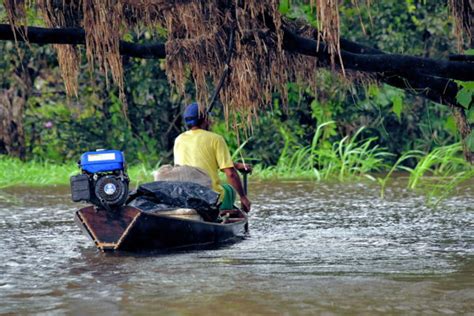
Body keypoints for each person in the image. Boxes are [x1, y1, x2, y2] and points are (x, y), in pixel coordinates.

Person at [173, 102, 251, 212]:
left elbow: (200, 161)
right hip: (210, 197)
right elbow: (231, 174)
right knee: (229, 189)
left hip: (185, 195)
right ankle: (222, 212)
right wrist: (243, 197)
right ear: (205, 120)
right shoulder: (215, 139)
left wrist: (236, 165)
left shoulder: (179, 139)